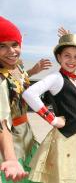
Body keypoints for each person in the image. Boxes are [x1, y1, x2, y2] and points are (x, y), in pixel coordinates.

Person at [22, 33, 76, 183]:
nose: (72, 60)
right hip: (64, 139)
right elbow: (29, 94)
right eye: (67, 55)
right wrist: (52, 119)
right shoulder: (56, 78)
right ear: (59, 57)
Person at [0, 16, 51, 183]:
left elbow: (19, 80)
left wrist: (34, 70)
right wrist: (10, 158)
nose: (11, 51)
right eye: (2, 46)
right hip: (10, 139)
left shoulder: (17, 67)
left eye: (14, 44)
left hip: (26, 132)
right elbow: (2, 123)